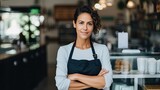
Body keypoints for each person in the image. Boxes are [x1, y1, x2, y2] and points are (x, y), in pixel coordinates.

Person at [55, 5, 113, 90]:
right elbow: (61, 84)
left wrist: (76, 76)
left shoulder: (102, 49)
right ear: (74, 24)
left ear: (93, 26)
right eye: (81, 23)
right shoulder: (64, 51)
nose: (85, 28)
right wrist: (96, 80)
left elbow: (107, 82)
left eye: (89, 23)